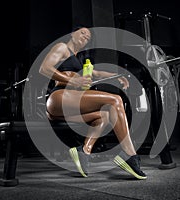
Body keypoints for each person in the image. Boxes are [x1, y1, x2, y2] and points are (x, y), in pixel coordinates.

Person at [39, 26, 146, 180]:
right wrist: (72, 79)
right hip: (59, 98)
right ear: (71, 34)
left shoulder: (78, 60)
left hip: (70, 103)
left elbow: (96, 72)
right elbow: (44, 68)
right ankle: (129, 154)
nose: (85, 36)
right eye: (82, 32)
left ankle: (84, 150)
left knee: (104, 115)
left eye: (88, 37)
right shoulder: (61, 48)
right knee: (115, 100)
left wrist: (117, 76)